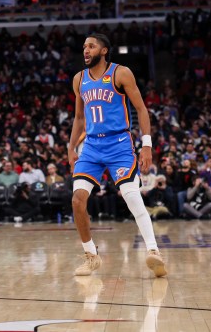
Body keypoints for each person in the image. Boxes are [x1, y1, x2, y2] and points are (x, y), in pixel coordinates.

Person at [68, 33, 166, 277]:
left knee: (131, 197)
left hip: (119, 144)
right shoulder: (79, 79)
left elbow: (142, 109)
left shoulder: (121, 73)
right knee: (77, 200)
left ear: (103, 50)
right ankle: (91, 255)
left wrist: (146, 145)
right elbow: (79, 118)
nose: (86, 50)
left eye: (91, 46)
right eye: (84, 47)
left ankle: (154, 251)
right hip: (91, 147)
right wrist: (70, 148)